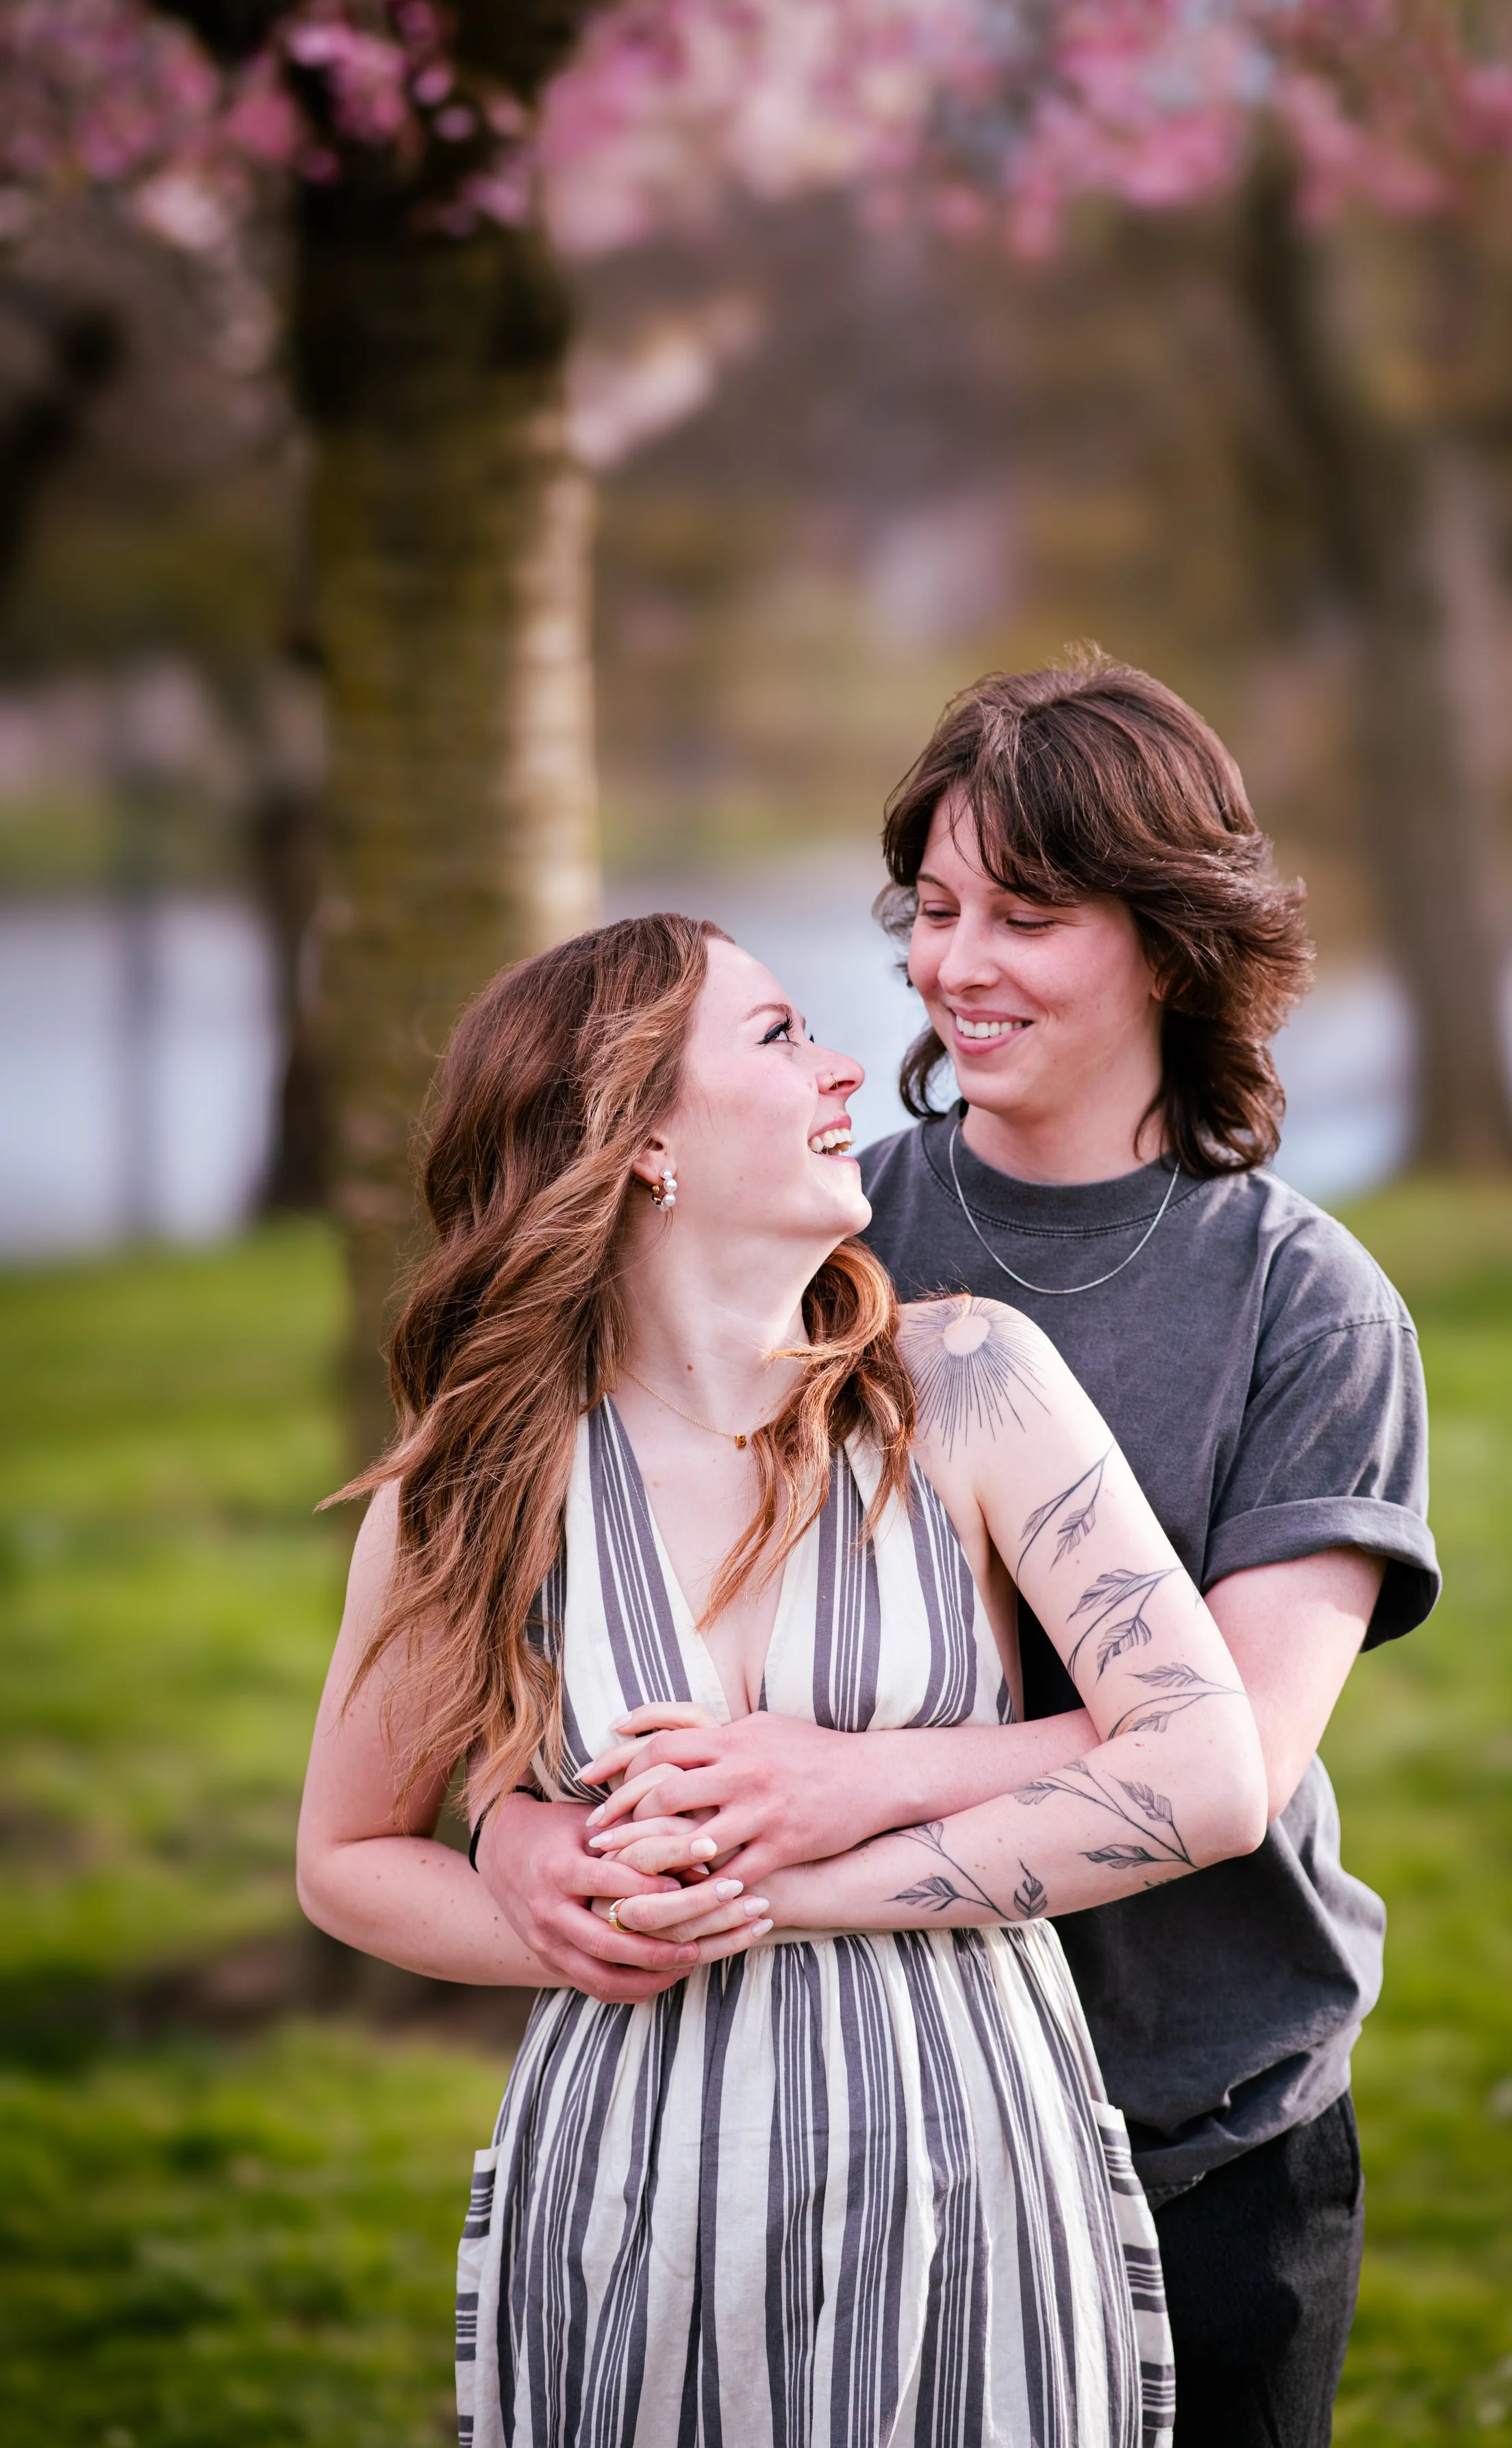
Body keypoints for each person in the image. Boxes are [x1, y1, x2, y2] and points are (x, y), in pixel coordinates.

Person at [492, 658, 1441, 2448]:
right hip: (841, 2101)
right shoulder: (831, 1219)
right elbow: (589, 1587)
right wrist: (525, 1826)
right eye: (929, 908)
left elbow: (1235, 1744)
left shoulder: (1305, 1309)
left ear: (1166, 940)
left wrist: (835, 1785)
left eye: (1026, 911)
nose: (950, 962)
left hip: (1196, 2113)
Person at [297, 910, 1271, 2448]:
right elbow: (344, 1860)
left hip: (968, 2165)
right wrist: (534, 1909)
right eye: (775, 1036)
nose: (844, 1072)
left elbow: (1207, 1774)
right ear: (641, 1141)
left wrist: (780, 1883)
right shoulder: (474, 1490)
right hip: (634, 2191)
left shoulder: (967, 1387)